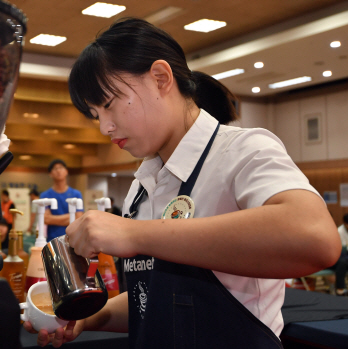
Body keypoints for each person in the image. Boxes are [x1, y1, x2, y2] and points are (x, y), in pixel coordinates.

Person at [24, 18, 341, 348]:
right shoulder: (142, 186)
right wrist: (87, 318)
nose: (105, 127)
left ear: (160, 78)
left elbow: (316, 238)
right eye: (95, 115)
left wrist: (132, 234)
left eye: (108, 104)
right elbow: (151, 302)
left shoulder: (242, 151)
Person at [40, 159, 83, 241]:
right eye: (55, 169)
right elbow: (46, 219)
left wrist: (53, 219)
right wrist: (71, 216)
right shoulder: (45, 195)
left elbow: (78, 219)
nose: (58, 171)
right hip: (53, 240)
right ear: (50, 174)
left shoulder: (76, 194)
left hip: (72, 239)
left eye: (61, 168)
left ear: (66, 171)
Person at [331, 213, 348, 295]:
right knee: (342, 263)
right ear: (345, 223)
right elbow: (342, 249)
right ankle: (340, 289)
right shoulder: (339, 231)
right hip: (339, 257)